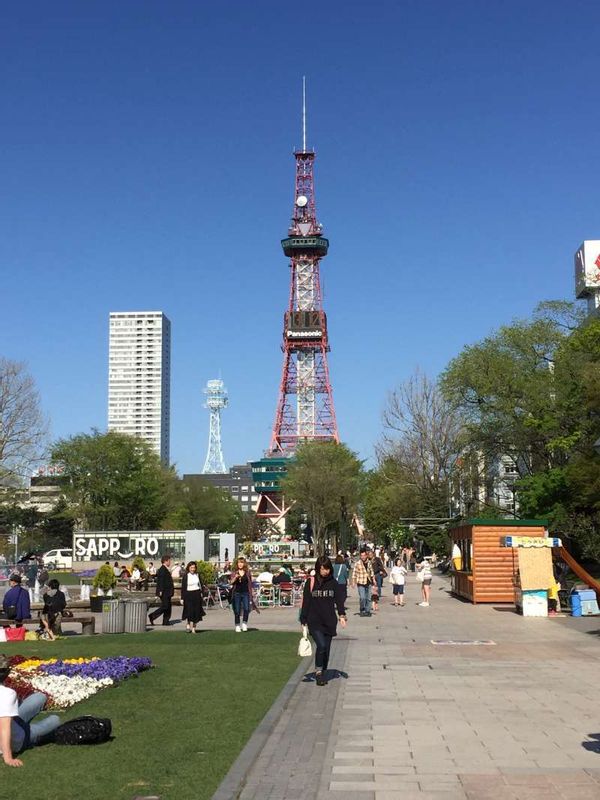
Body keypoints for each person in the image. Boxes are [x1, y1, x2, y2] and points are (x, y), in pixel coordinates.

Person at [0, 654, 61, 767]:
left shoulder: (7, 693)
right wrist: (8, 758)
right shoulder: (6, 694)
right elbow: (4, 727)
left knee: (40, 697)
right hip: (18, 739)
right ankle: (28, 733)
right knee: (55, 719)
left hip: (13, 723)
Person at [300, 556, 347, 686]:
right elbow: (306, 601)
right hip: (314, 620)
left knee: (326, 648)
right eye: (322, 569)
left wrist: (342, 615)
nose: (324, 571)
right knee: (321, 645)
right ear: (317, 568)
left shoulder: (333, 583)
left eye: (326, 568)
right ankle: (318, 672)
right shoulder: (311, 582)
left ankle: (323, 670)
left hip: (329, 620)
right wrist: (303, 620)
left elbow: (339, 600)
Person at [229, 557, 254, 632]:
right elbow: (231, 582)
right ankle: (237, 625)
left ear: (244, 564)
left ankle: (244, 623)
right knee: (237, 609)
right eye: (239, 562)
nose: (240, 564)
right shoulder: (234, 572)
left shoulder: (247, 572)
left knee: (246, 608)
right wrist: (235, 578)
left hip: (245, 592)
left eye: (242, 562)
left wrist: (251, 593)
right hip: (237, 593)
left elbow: (250, 583)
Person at [148, 555, 175, 626]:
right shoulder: (162, 569)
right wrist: (160, 591)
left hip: (168, 591)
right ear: (166, 561)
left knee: (168, 606)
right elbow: (160, 581)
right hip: (164, 591)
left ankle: (166, 621)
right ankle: (152, 616)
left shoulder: (166, 569)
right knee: (165, 606)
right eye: (169, 561)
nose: (170, 562)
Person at [181, 561, 205, 633]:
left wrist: (202, 593)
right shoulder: (186, 576)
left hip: (197, 593)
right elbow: (183, 587)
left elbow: (201, 584)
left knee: (196, 611)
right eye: (191, 568)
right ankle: (188, 624)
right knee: (189, 611)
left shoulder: (197, 575)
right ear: (188, 568)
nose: (193, 569)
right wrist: (182, 598)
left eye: (194, 568)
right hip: (188, 594)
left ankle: (194, 628)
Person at [351, 549, 374, 617]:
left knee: (369, 598)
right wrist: (353, 582)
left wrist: (374, 579)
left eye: (364, 555)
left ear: (366, 556)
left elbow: (371, 571)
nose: (363, 557)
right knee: (362, 597)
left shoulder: (369, 562)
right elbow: (354, 573)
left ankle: (367, 611)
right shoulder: (357, 563)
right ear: (360, 556)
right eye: (362, 556)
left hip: (368, 582)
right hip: (360, 582)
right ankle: (362, 609)